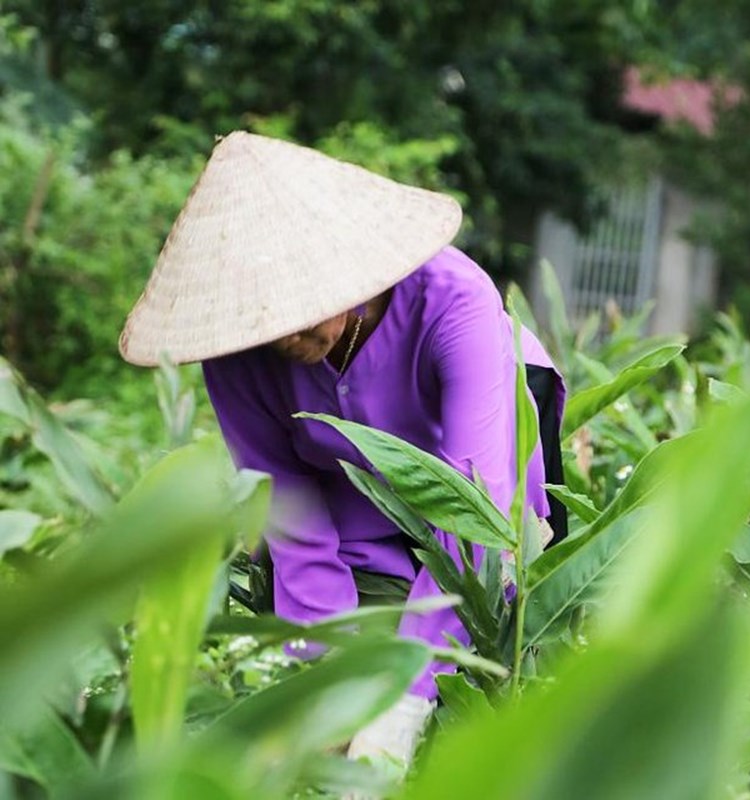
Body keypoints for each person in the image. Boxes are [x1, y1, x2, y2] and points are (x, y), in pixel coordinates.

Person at [119, 131, 565, 770]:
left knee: (490, 693)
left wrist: (406, 698)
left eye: (305, 311)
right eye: (267, 321)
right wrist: (330, 671)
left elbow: (476, 509)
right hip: (349, 502)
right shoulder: (239, 348)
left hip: (478, 493)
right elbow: (285, 500)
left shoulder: (452, 301)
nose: (289, 336)